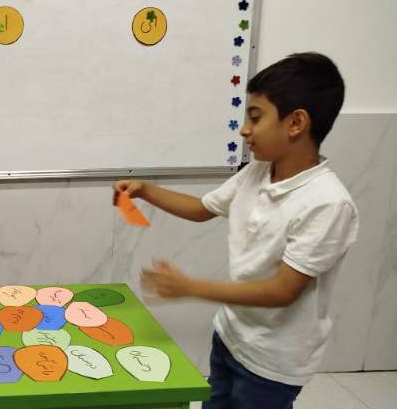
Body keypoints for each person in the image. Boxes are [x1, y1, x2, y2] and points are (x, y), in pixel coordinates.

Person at [113, 52, 359, 409]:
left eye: (255, 118)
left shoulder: (327, 203)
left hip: (273, 363)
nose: (244, 129)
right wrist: (146, 190)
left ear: (296, 123)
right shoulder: (256, 172)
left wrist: (190, 287)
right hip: (230, 335)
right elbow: (202, 209)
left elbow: (283, 290)